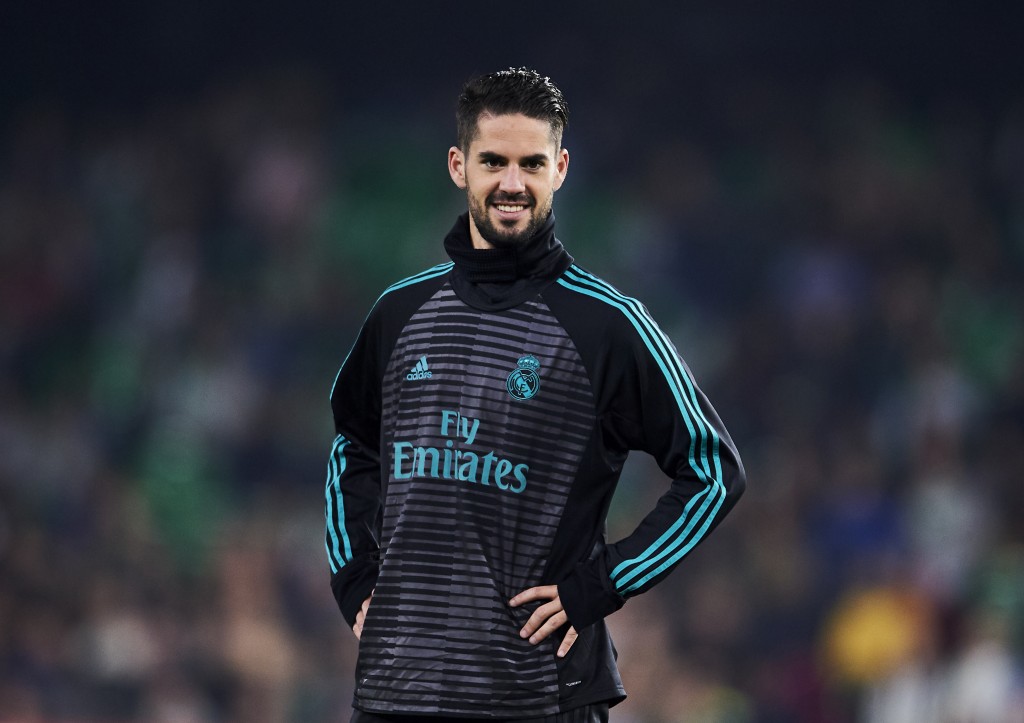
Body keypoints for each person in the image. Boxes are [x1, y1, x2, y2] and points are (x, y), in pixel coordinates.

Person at [325, 67, 746, 722]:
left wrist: (600, 584)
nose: (512, 183)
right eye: (494, 161)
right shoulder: (398, 314)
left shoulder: (607, 325)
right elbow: (353, 447)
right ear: (459, 165)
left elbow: (714, 472)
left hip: (538, 696)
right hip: (398, 691)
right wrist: (356, 580)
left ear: (561, 168)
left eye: (532, 162)